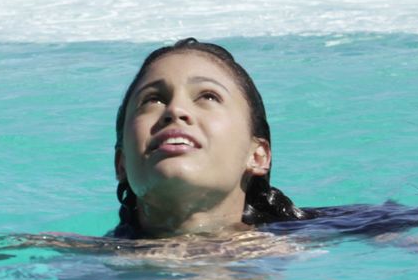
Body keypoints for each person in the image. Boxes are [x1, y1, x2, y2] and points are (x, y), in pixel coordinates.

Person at [111, 37, 317, 240]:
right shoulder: (85, 263)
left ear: (257, 155)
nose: (175, 110)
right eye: (152, 99)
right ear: (122, 163)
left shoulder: (329, 235)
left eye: (208, 96)